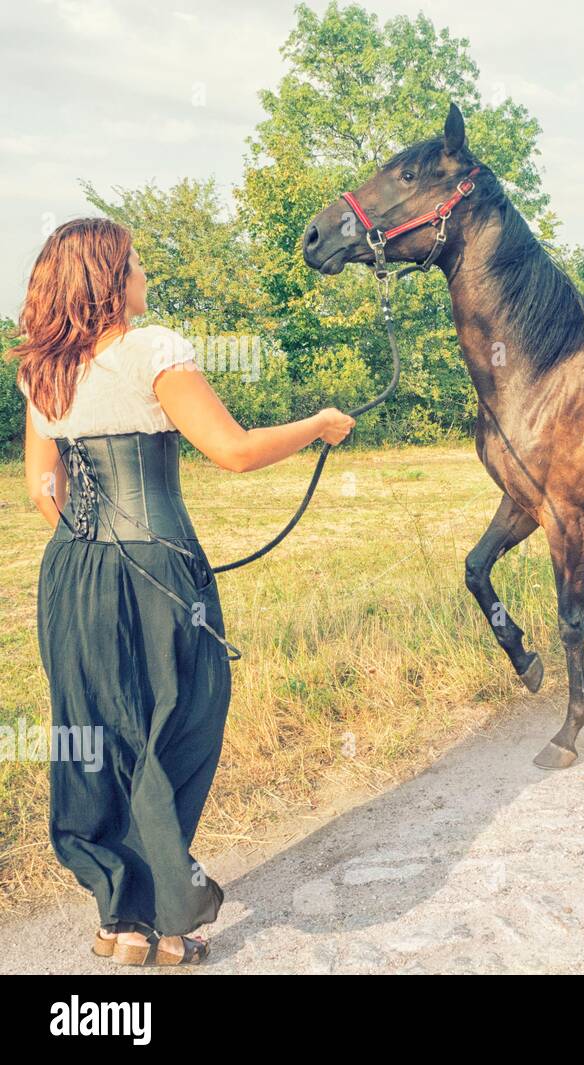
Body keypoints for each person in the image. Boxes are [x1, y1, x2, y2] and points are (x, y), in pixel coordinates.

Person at [11, 217, 355, 966]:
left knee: (99, 738)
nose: (145, 274)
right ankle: (172, 920)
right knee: (178, 726)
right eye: (135, 262)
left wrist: (87, 541)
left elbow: (44, 488)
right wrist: (319, 423)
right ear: (108, 278)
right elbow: (231, 451)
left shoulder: (43, 367)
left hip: (73, 573)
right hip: (160, 569)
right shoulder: (153, 350)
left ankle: (120, 919)